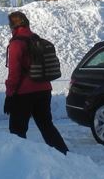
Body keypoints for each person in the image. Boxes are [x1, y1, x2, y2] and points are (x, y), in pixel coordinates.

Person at [4, 11, 68, 154]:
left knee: (17, 130)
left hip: (24, 93)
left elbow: (14, 73)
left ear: (12, 26)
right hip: (44, 89)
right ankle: (64, 156)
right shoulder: (36, 39)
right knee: (46, 125)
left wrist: (9, 95)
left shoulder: (16, 44)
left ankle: (19, 160)